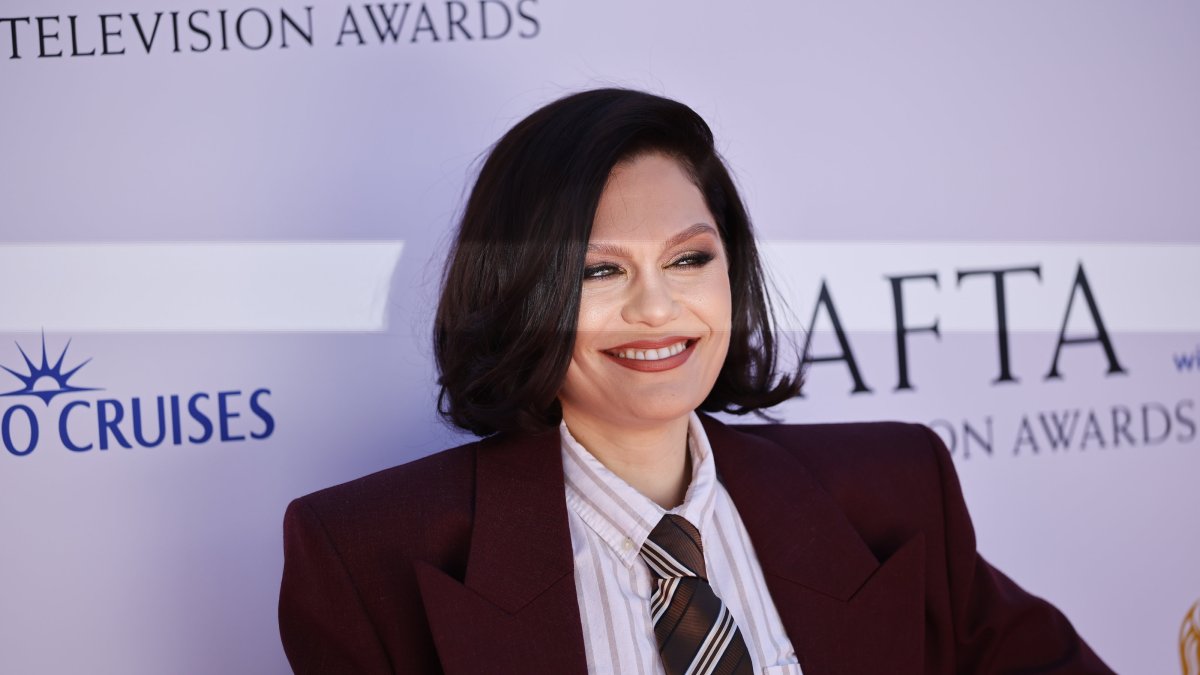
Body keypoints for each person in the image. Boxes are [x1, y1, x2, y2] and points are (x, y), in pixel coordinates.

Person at [278, 88, 1113, 674]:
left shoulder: (895, 490)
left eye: (689, 258)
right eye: (600, 272)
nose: (658, 306)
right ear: (517, 291)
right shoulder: (365, 554)